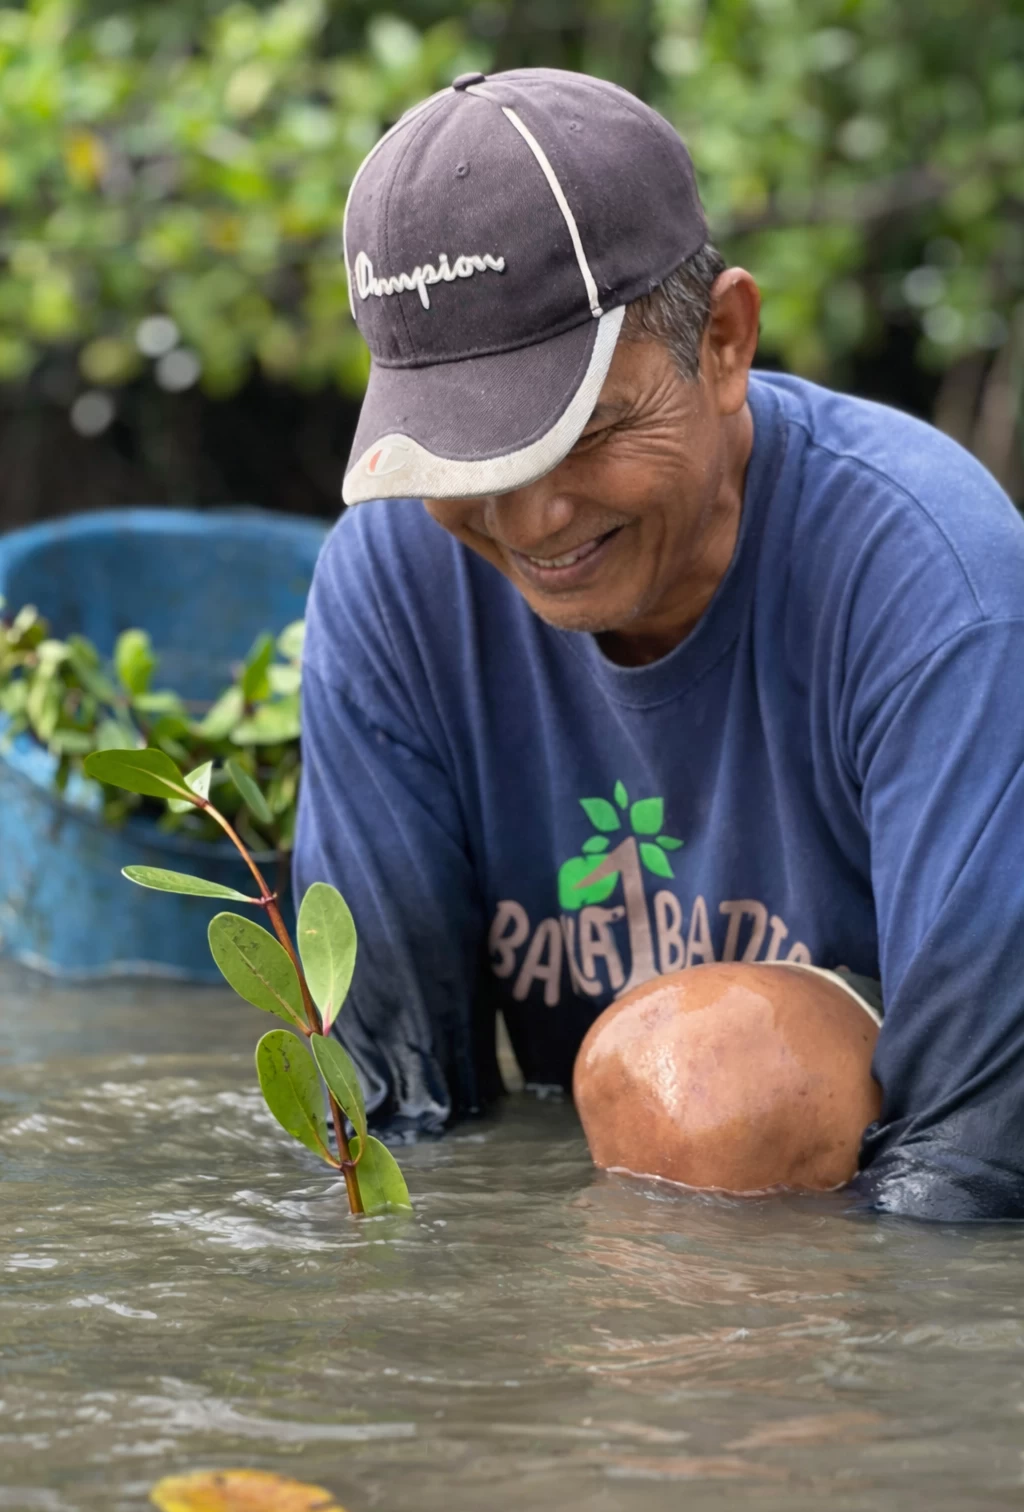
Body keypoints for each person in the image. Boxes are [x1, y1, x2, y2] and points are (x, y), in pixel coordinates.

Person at [294, 66, 1024, 1220]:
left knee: (716, 1077)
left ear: (724, 343)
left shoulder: (937, 584)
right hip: (620, 1196)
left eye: (585, 431)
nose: (530, 520)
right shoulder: (389, 588)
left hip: (874, 1188)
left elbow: (978, 1165)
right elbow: (396, 1119)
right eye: (467, 462)